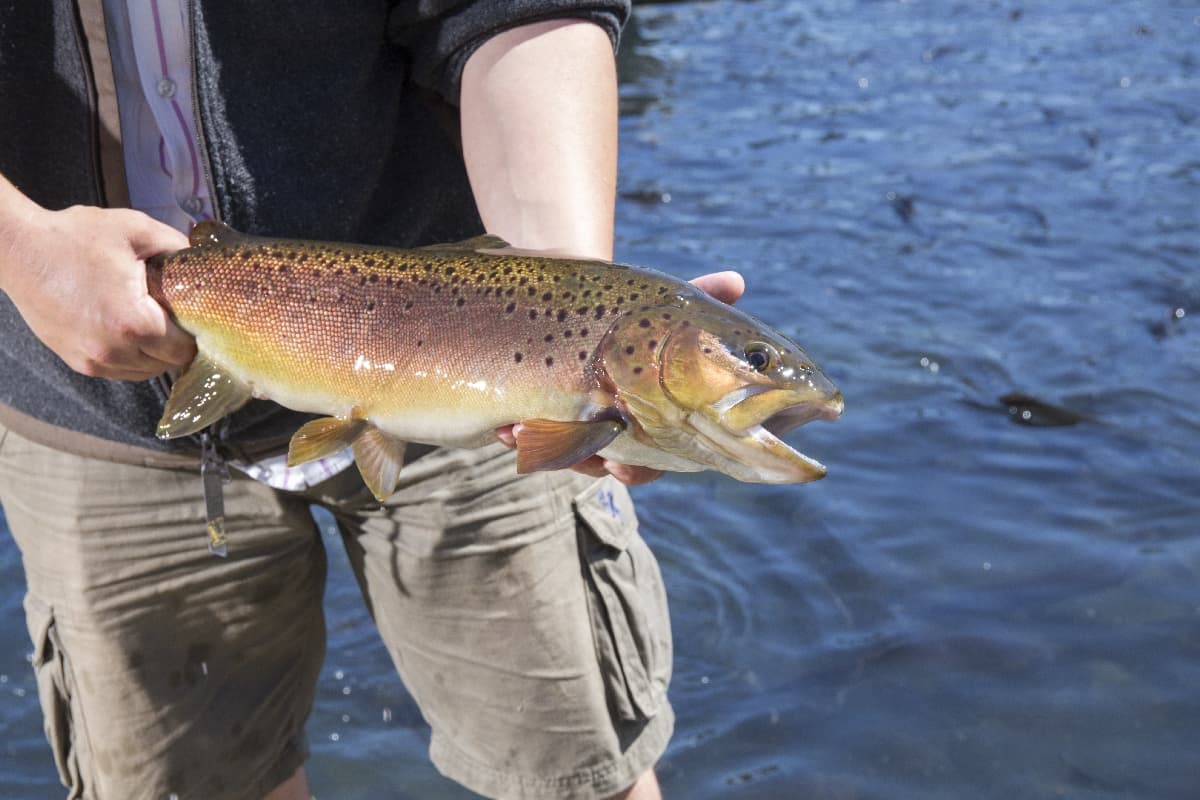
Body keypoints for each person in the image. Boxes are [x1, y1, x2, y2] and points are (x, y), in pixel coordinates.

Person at [0, 3, 743, 799]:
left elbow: (517, 12)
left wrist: (568, 291)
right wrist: (20, 248)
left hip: (473, 367)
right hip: (91, 406)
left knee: (582, 778)